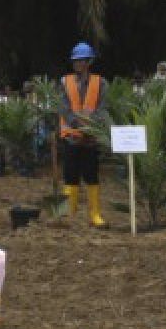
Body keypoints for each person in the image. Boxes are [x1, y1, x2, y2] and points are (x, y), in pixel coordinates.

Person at [59, 42, 108, 227]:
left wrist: (90, 125)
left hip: (91, 139)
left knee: (92, 175)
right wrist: (77, 123)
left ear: (89, 62)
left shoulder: (100, 83)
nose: (77, 64)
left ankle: (95, 215)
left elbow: (103, 108)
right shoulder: (64, 82)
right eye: (75, 61)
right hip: (71, 137)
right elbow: (63, 107)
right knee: (70, 175)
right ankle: (69, 215)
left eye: (81, 61)